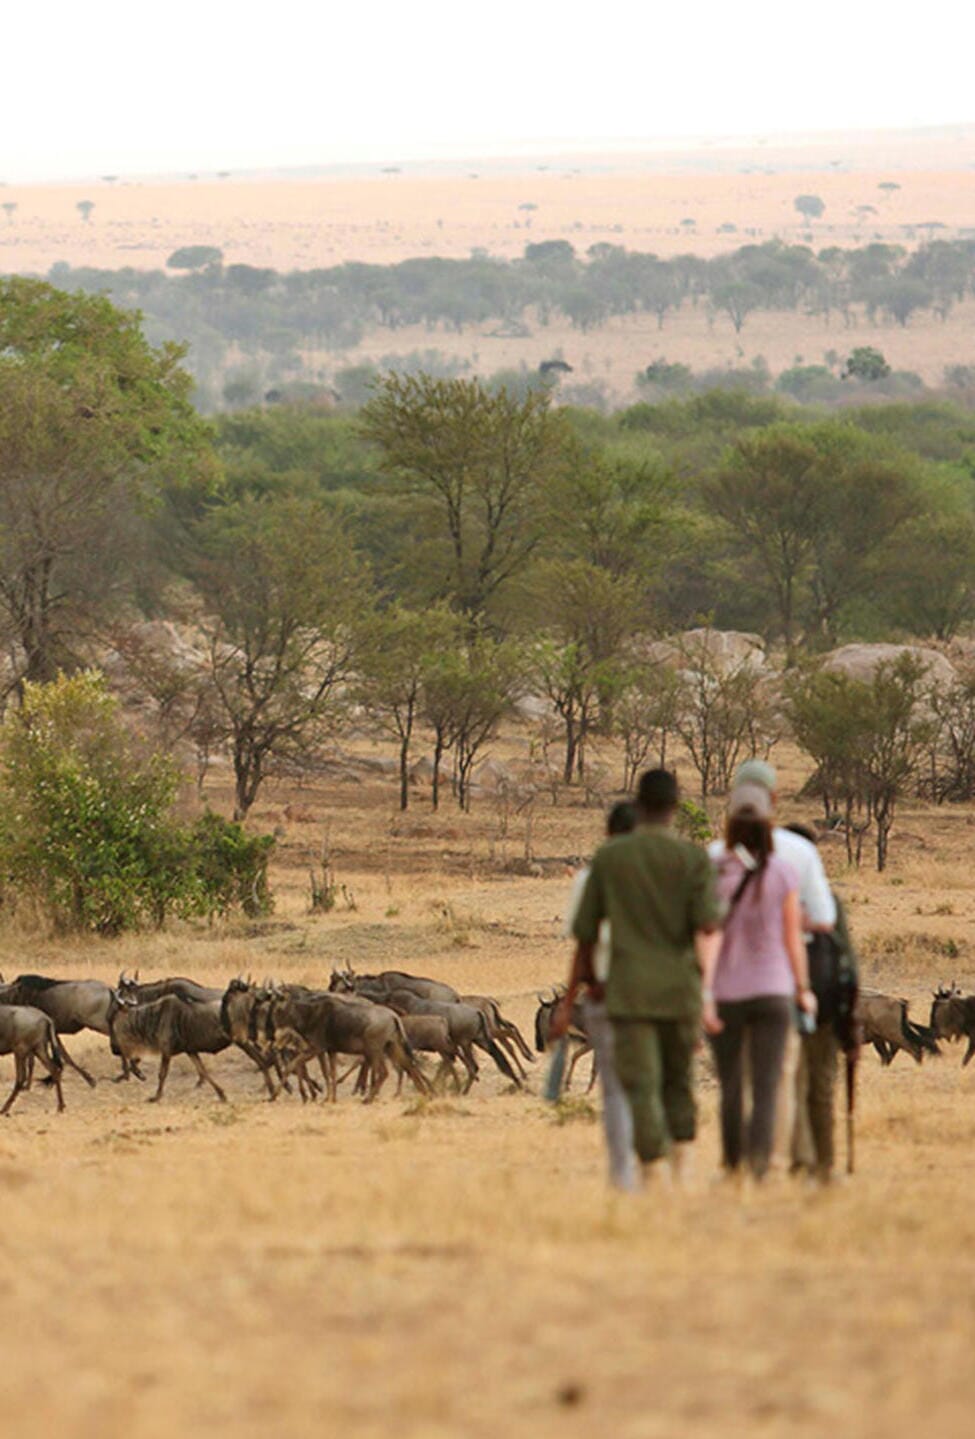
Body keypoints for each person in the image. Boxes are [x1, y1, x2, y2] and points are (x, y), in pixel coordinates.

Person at [553, 769, 721, 1187]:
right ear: (676, 806)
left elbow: (586, 935)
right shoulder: (693, 859)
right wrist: (707, 993)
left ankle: (651, 1174)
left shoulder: (611, 859)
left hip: (629, 993)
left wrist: (572, 998)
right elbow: (706, 929)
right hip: (680, 991)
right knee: (678, 1080)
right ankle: (682, 1169)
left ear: (640, 804)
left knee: (641, 1083)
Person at [708, 758, 836, 1164]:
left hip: (725, 989)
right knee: (771, 1082)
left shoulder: (712, 858)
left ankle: (733, 1164)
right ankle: (765, 1163)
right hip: (775, 987)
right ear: (774, 801)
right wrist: (802, 988)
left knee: (731, 1083)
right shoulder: (793, 857)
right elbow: (821, 921)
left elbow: (702, 929)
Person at [563, 801, 639, 1191]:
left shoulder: (591, 879)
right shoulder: (672, 869)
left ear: (608, 834)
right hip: (659, 993)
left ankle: (624, 1175)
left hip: (607, 994)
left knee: (615, 1091)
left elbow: (583, 945)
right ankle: (656, 1165)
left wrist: (567, 1004)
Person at [784, 823, 860, 1184]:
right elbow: (848, 963)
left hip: (783, 1002)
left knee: (792, 1085)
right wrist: (851, 1017)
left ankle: (800, 1163)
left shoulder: (769, 895)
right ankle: (824, 1166)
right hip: (826, 1006)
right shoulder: (829, 902)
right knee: (822, 1087)